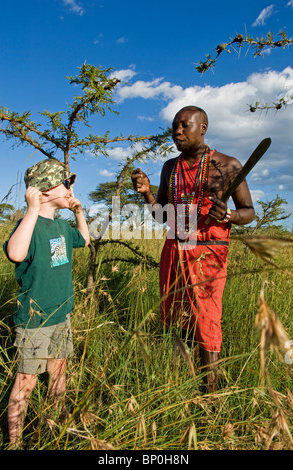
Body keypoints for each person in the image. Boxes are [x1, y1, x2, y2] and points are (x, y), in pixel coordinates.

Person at [132, 106, 255, 393]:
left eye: (184, 125)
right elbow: (162, 215)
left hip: (209, 250)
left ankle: (209, 396)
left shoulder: (227, 165)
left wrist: (230, 216)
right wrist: (148, 193)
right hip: (175, 248)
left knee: (206, 318)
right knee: (177, 315)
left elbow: (248, 211)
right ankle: (180, 383)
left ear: (203, 128)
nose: (177, 131)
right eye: (174, 126)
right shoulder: (169, 168)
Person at [3, 158, 90, 449]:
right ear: (43, 189)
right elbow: (16, 254)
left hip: (61, 314)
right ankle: (14, 443)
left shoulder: (63, 227)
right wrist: (32, 209)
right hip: (35, 319)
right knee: (26, 381)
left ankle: (54, 425)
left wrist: (79, 212)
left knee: (59, 370)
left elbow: (85, 240)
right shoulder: (29, 225)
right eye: (65, 183)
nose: (70, 188)